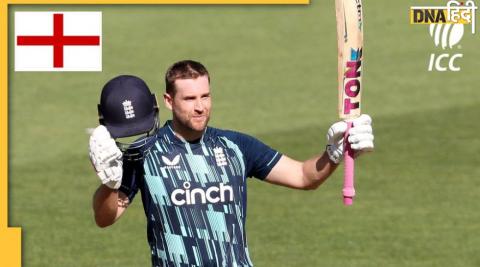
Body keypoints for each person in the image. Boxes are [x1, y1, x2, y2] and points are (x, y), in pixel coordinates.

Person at [90, 60, 374, 267]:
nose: (200, 106)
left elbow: (303, 176)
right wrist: (109, 184)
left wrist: (334, 153)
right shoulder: (143, 154)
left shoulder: (236, 146)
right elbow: (106, 218)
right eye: (189, 99)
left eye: (205, 96)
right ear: (168, 100)